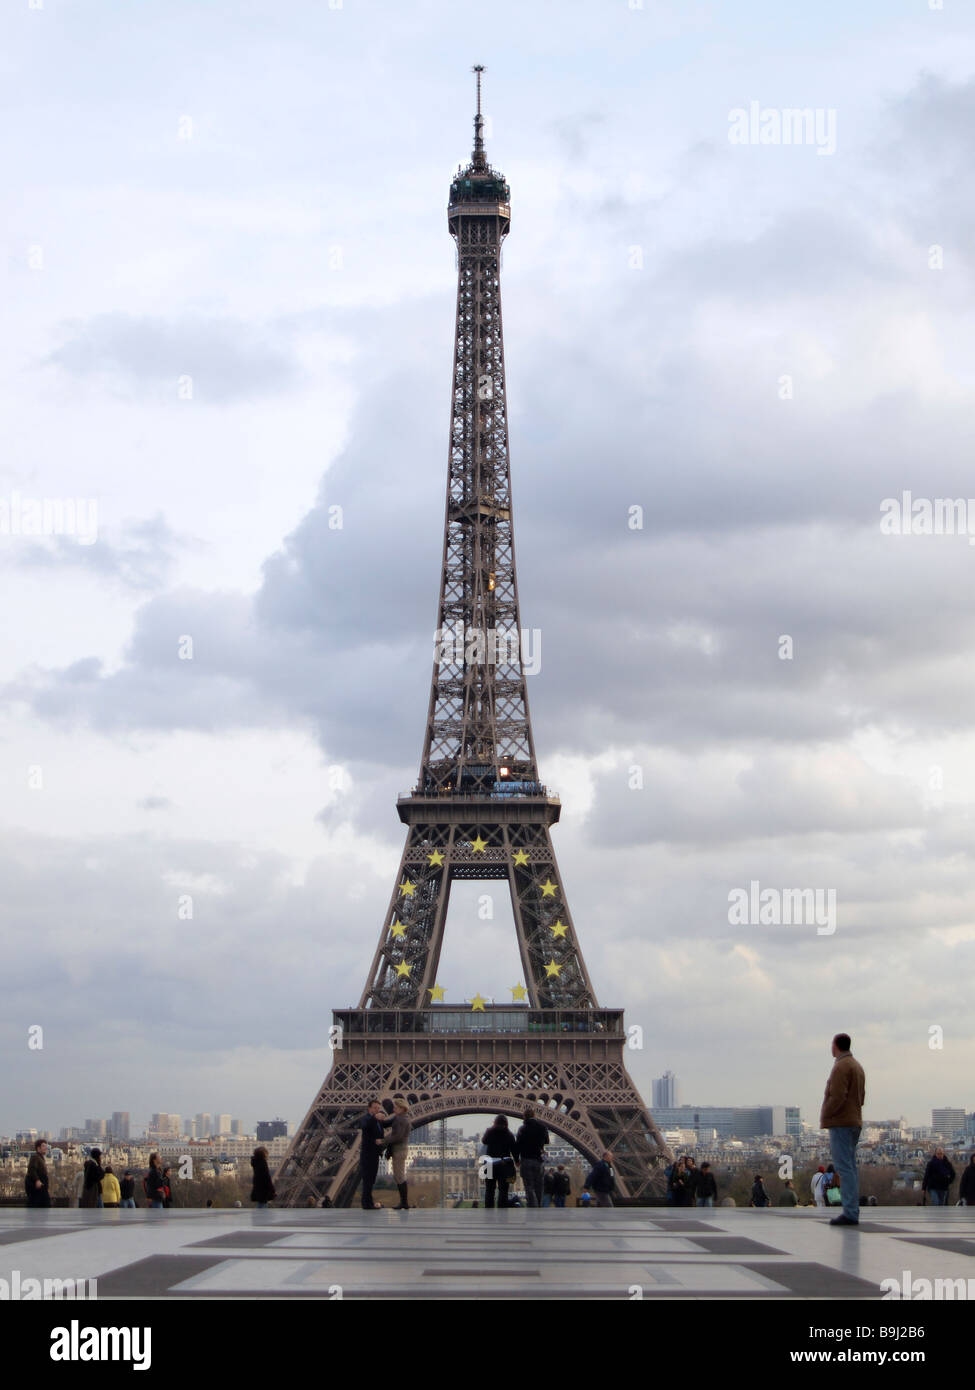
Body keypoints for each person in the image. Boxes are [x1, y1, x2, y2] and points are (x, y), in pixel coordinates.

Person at [820, 1032, 866, 1226]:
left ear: (836, 1045)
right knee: (850, 1167)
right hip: (854, 1120)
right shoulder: (857, 1066)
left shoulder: (840, 1067)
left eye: (832, 1044)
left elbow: (837, 1096)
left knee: (844, 1168)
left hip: (841, 1122)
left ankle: (850, 1212)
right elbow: (861, 1096)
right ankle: (852, 1209)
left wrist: (827, 1114)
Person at [377, 1099, 412, 1210]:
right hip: (399, 1150)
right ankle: (404, 1202)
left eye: (395, 1107)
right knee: (398, 1175)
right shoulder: (399, 1118)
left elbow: (398, 1137)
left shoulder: (402, 1120)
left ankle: (404, 1202)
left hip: (399, 1150)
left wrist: (383, 1141)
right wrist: (379, 1117)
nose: (393, 1109)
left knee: (399, 1176)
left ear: (402, 1108)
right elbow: (387, 1124)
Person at [515, 1107, 550, 1209]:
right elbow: (547, 1141)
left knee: (529, 1186)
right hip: (538, 1160)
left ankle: (533, 1205)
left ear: (525, 1117)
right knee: (539, 1185)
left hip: (526, 1159)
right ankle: (538, 1205)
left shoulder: (522, 1129)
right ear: (534, 1115)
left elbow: (517, 1146)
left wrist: (516, 1160)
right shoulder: (543, 1127)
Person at [481, 1115, 519, 1209]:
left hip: (490, 1163)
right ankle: (502, 1207)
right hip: (503, 1163)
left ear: (495, 1122)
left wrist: (491, 1129)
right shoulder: (509, 1134)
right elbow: (513, 1149)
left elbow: (484, 1141)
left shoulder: (489, 1131)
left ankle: (489, 1208)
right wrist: (517, 1161)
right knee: (503, 1189)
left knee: (489, 1189)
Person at [358, 1100, 384, 1211]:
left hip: (374, 1154)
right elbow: (365, 1126)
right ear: (369, 1108)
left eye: (378, 1108)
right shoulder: (366, 1119)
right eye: (374, 1108)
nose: (377, 1110)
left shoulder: (378, 1121)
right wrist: (375, 1118)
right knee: (367, 1179)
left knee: (371, 1179)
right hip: (367, 1154)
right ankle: (366, 1203)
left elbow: (387, 1124)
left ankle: (369, 1202)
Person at [26, 1139, 51, 1209]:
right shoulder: (35, 1157)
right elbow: (31, 1169)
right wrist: (37, 1180)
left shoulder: (40, 1158)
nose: (45, 1148)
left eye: (46, 1146)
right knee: (43, 1204)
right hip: (38, 1187)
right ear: (38, 1148)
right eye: (43, 1146)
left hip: (41, 1186)